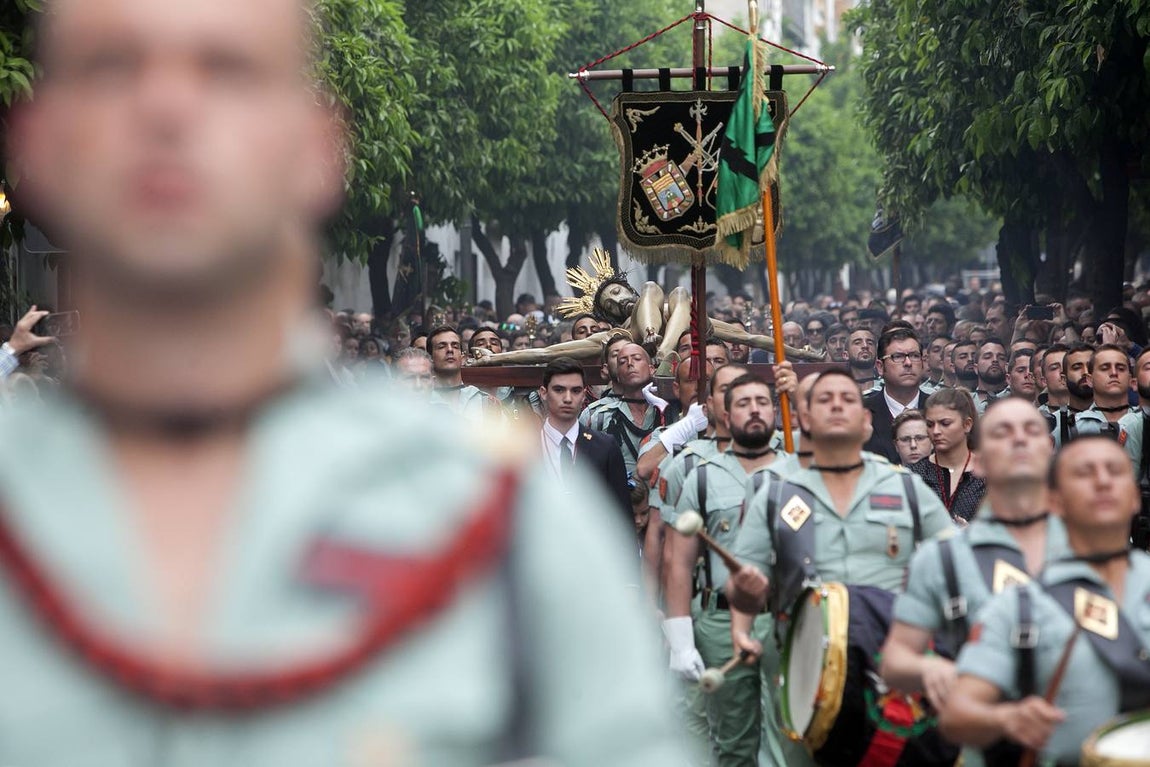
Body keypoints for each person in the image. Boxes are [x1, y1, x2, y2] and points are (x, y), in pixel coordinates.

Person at [0, 1, 683, 764]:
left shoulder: (504, 519)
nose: (167, 108)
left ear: (318, 148)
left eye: (227, 71)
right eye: (111, 69)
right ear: (38, 141)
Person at [726, 369, 954, 767]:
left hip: (890, 672)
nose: (835, 405)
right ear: (805, 419)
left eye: (848, 399)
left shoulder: (905, 488)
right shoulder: (776, 492)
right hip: (804, 665)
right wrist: (745, 596)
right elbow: (744, 588)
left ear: (867, 424)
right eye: (824, 399)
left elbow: (958, 567)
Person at [941, 436, 1150, 767]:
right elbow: (957, 714)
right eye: (1084, 473)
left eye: (1115, 470)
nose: (1103, 481)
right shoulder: (1019, 606)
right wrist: (1006, 719)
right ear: (1055, 502)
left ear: (1136, 497)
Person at [881, 398, 1067, 714]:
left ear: (1050, 448)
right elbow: (894, 660)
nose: (1018, 439)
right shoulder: (941, 557)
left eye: (1031, 430)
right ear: (978, 462)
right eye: (1001, 432)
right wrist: (929, 668)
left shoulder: (1092, 547)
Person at [663, 373, 785, 766]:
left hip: (789, 620)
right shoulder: (701, 475)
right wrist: (680, 640)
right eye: (743, 403)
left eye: (763, 402)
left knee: (791, 736)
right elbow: (677, 562)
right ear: (725, 415)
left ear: (775, 411)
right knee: (733, 741)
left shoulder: (799, 473)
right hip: (718, 623)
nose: (754, 410)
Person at [538, 357, 631, 521]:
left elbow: (621, 515)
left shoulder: (604, 446)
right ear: (544, 393)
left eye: (575, 391)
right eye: (559, 390)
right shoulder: (523, 448)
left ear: (583, 394)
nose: (567, 398)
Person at [579, 342, 661, 478]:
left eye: (637, 358)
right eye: (622, 362)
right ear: (617, 375)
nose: (630, 363)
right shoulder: (600, 417)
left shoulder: (667, 413)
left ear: (651, 369)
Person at [909, 388, 985, 522]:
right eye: (930, 425)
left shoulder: (989, 475)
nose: (936, 431)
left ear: (967, 425)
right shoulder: (914, 475)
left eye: (945, 423)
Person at [864, 327, 931, 463]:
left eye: (914, 356)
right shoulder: (861, 412)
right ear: (880, 367)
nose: (908, 363)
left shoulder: (938, 409)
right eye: (898, 357)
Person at [427, 325, 495, 418]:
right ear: (430, 359)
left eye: (455, 346)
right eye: (442, 346)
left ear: (463, 358)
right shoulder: (421, 401)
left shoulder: (485, 402)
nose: (450, 350)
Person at [971, 338, 1009, 413]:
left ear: (1007, 366)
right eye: (987, 357)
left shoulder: (1016, 399)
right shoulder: (965, 401)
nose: (995, 360)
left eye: (1001, 358)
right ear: (976, 368)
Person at [847, 327, 880, 392]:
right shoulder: (838, 387)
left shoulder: (888, 386)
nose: (865, 346)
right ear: (846, 355)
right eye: (857, 343)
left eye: (870, 343)